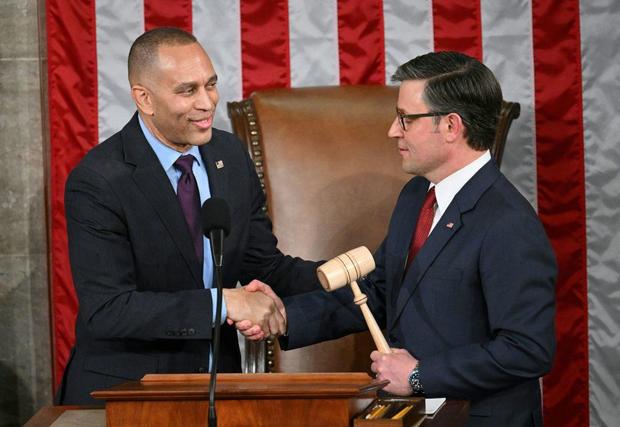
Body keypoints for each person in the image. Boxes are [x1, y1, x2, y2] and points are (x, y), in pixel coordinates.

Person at [248, 52, 557, 426]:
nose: (393, 131)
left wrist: (418, 375)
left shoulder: (508, 222)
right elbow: (381, 292)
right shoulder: (416, 196)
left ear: (451, 126)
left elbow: (527, 350)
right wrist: (285, 317)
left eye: (406, 119)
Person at [56, 27, 319, 405]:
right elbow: (108, 309)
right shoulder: (99, 180)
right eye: (187, 90)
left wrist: (349, 272)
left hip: (217, 390)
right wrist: (225, 304)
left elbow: (265, 267)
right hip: (129, 394)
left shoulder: (229, 156)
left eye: (210, 84)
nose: (207, 102)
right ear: (144, 99)